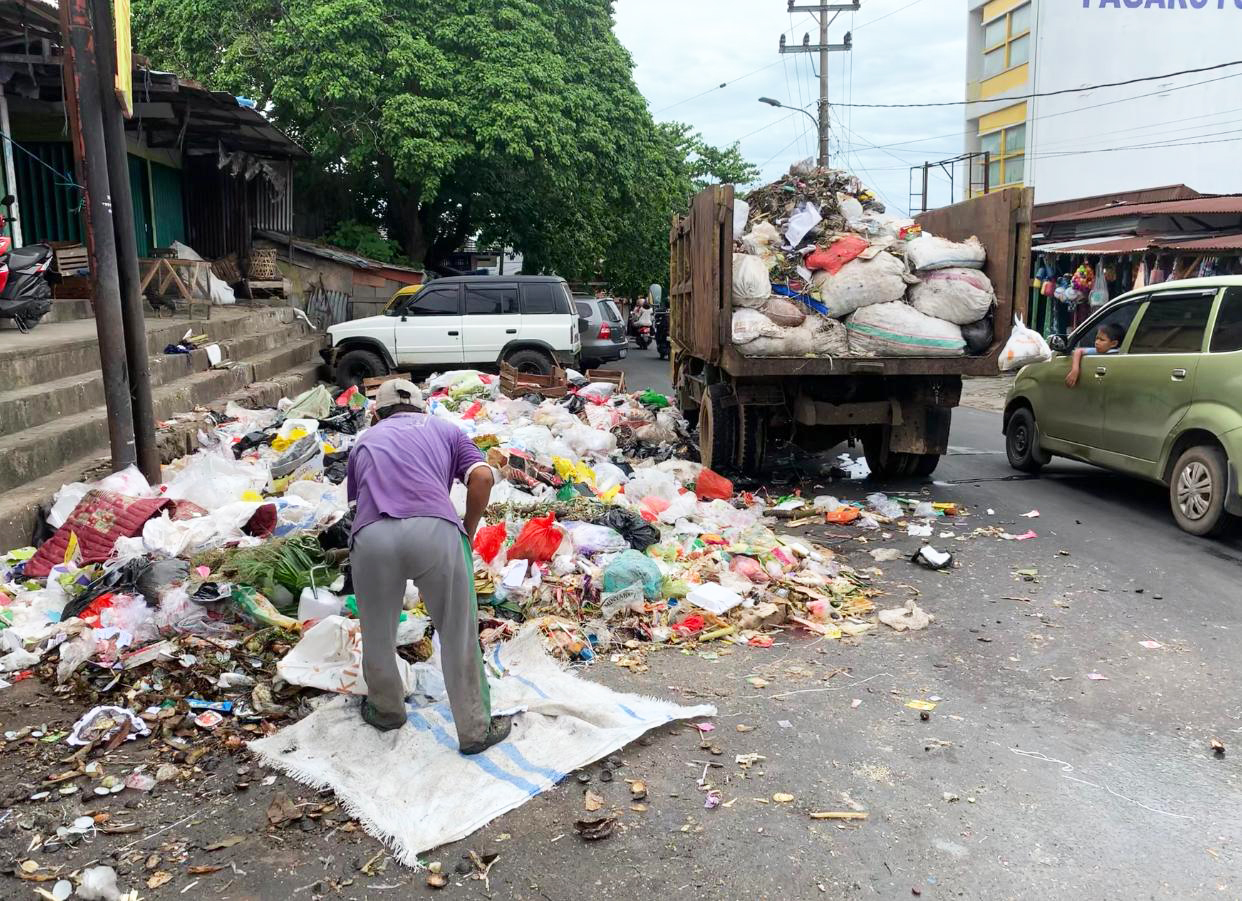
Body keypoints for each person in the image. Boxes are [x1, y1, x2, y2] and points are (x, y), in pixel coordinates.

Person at [346, 378, 510, 754]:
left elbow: (356, 505)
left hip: (373, 538)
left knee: (378, 632)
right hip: (436, 530)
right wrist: (466, 530)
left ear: (377, 412)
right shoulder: (446, 430)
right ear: (423, 407)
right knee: (457, 633)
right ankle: (474, 731)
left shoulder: (365, 441)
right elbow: (483, 477)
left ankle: (386, 711)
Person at [1065, 321, 1124, 388]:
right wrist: (1075, 369)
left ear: (1113, 344)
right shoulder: (1100, 350)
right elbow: (1078, 351)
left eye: (1101, 340)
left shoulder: (1117, 353)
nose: (1096, 342)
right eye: (1096, 339)